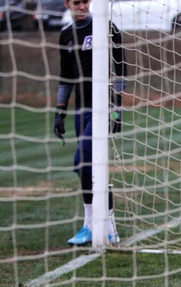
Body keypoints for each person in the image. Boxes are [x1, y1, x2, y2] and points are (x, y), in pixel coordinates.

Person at [53, 0, 127, 245]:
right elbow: (65, 78)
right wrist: (60, 111)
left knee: (82, 160)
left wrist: (116, 108)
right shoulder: (65, 36)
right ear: (67, 4)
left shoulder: (106, 27)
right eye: (77, 2)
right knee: (89, 168)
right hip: (81, 109)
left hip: (103, 107)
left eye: (86, 1)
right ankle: (95, 227)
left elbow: (121, 69)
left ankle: (107, 228)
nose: (82, 6)